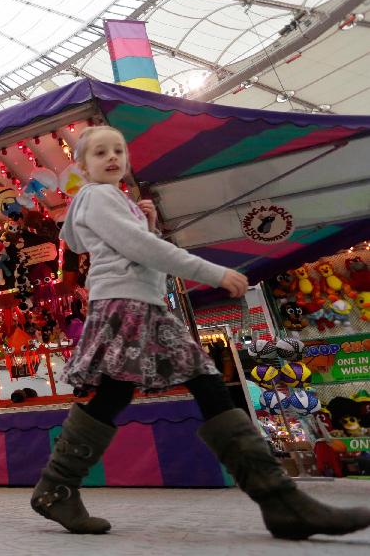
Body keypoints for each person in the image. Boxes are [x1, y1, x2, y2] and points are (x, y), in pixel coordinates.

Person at [31, 126, 370, 539]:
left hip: (140, 302)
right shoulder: (98, 196)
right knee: (198, 382)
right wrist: (211, 272)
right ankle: (279, 500)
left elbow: (130, 247)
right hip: (128, 304)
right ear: (82, 167)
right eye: (100, 153)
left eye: (119, 150)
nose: (113, 157)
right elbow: (141, 251)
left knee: (136, 389)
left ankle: (56, 487)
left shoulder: (110, 200)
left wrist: (146, 224)